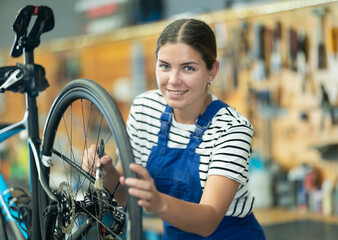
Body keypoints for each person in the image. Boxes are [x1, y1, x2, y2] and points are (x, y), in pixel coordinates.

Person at [83, 18, 266, 239]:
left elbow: (208, 220)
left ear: (212, 71)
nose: (173, 80)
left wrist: (158, 202)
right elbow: (123, 194)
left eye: (188, 68)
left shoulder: (232, 129)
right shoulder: (144, 109)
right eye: (165, 66)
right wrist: (106, 173)